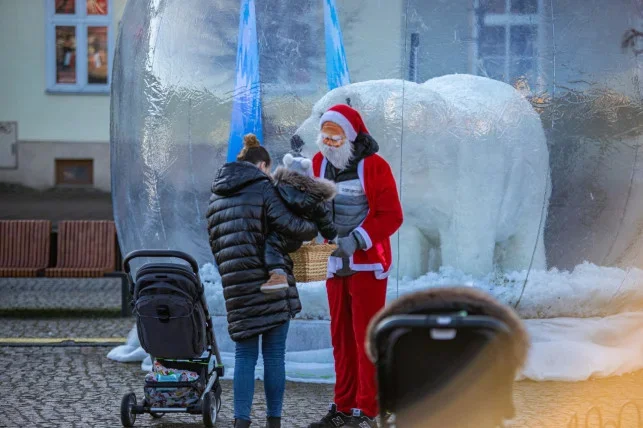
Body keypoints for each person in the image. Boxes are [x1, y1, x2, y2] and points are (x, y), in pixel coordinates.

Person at [206, 134, 319, 428]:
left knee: (244, 355)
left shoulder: (216, 196)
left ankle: (241, 421)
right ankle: (273, 421)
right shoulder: (263, 188)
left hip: (237, 285)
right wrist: (314, 226)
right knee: (274, 356)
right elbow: (291, 225)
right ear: (264, 165)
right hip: (271, 280)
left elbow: (216, 244)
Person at [307, 104, 403, 428]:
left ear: (350, 135)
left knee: (365, 336)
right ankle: (345, 407)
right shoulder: (318, 164)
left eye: (335, 136)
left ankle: (369, 410)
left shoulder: (375, 166)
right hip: (333, 262)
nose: (329, 142)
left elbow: (391, 214)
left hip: (367, 264)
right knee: (340, 337)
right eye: (325, 136)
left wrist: (358, 240)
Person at [261, 153, 338, 293]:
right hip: (300, 238)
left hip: (278, 231)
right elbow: (325, 222)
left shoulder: (276, 189)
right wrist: (331, 235)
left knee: (271, 244)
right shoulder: (316, 196)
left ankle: (278, 275)